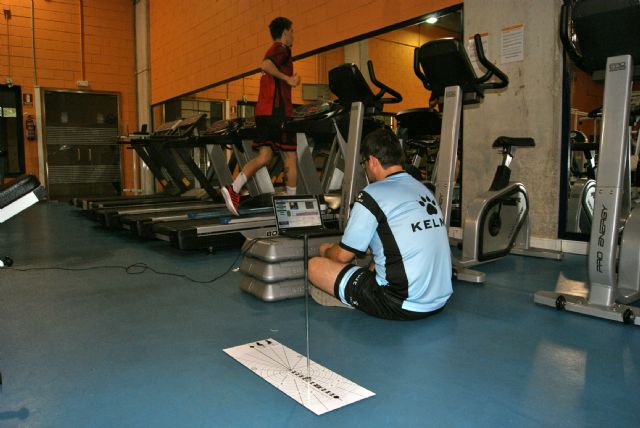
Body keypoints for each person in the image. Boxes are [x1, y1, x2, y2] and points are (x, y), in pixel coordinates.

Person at [308, 128, 453, 320]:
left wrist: (326, 250)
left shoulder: (371, 194)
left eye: (364, 163)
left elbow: (342, 256)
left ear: (373, 161)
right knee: (377, 255)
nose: (365, 168)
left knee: (315, 266)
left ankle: (352, 298)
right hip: (439, 300)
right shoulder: (423, 189)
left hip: (400, 303)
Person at [222, 17, 300, 216]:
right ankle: (291, 207)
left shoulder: (278, 50)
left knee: (265, 157)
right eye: (292, 31)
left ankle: (234, 188)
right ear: (284, 32)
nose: (293, 35)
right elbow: (265, 65)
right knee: (290, 156)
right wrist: (289, 79)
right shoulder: (281, 49)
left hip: (265, 112)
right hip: (277, 113)